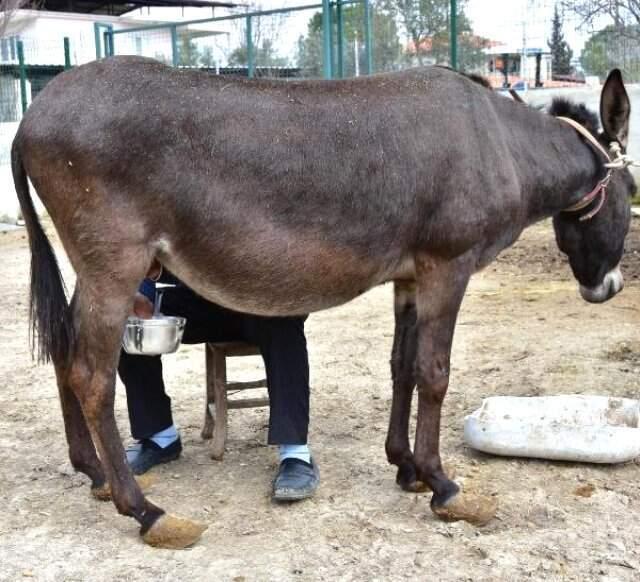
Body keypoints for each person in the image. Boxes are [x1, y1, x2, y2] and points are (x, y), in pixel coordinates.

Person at [117, 267, 319, 501]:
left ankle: (295, 454)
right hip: (203, 299)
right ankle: (160, 436)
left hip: (259, 301)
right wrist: (142, 292)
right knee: (123, 313)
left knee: (284, 316)